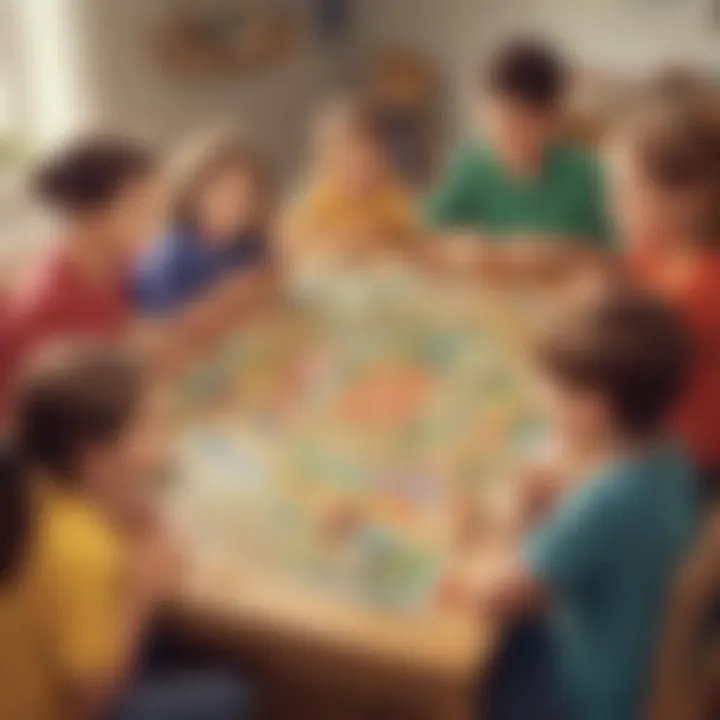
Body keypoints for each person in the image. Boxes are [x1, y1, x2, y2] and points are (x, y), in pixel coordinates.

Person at [461, 291, 698, 720]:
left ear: (595, 408)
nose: (541, 400)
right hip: (620, 653)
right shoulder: (665, 451)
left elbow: (493, 594)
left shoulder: (609, 500)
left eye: (553, 391)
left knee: (460, 655)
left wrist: (510, 519)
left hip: (581, 695)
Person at [0, 344, 250, 720]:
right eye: (153, 427)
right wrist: (140, 595)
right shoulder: (83, 550)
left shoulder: (26, 489)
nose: (167, 445)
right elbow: (91, 703)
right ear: (94, 457)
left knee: (172, 646)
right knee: (229, 693)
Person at [0, 135, 163, 412]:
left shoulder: (120, 263)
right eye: (141, 208)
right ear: (89, 216)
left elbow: (128, 336)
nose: (156, 221)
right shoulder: (45, 306)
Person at [425, 39, 612, 281]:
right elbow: (429, 234)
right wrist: (459, 246)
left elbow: (616, 257)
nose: (502, 138)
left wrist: (561, 253)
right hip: (484, 297)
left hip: (559, 301)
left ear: (552, 122)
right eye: (494, 124)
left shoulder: (586, 174)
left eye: (517, 126)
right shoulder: (469, 165)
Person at [608, 102, 720, 494]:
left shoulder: (706, 285)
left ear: (687, 202)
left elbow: (624, 359)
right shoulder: (649, 257)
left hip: (692, 467)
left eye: (627, 191)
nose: (614, 208)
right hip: (651, 449)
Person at [132, 126, 274, 321]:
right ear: (192, 193)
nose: (233, 205)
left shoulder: (250, 241)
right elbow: (162, 334)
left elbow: (272, 289)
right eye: (218, 193)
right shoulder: (170, 259)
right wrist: (231, 299)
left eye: (244, 195)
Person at [282, 95, 417, 267]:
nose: (360, 165)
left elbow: (422, 240)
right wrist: (339, 245)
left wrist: (391, 245)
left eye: (372, 155)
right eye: (346, 155)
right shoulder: (311, 203)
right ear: (325, 159)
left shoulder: (393, 197)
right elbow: (292, 254)